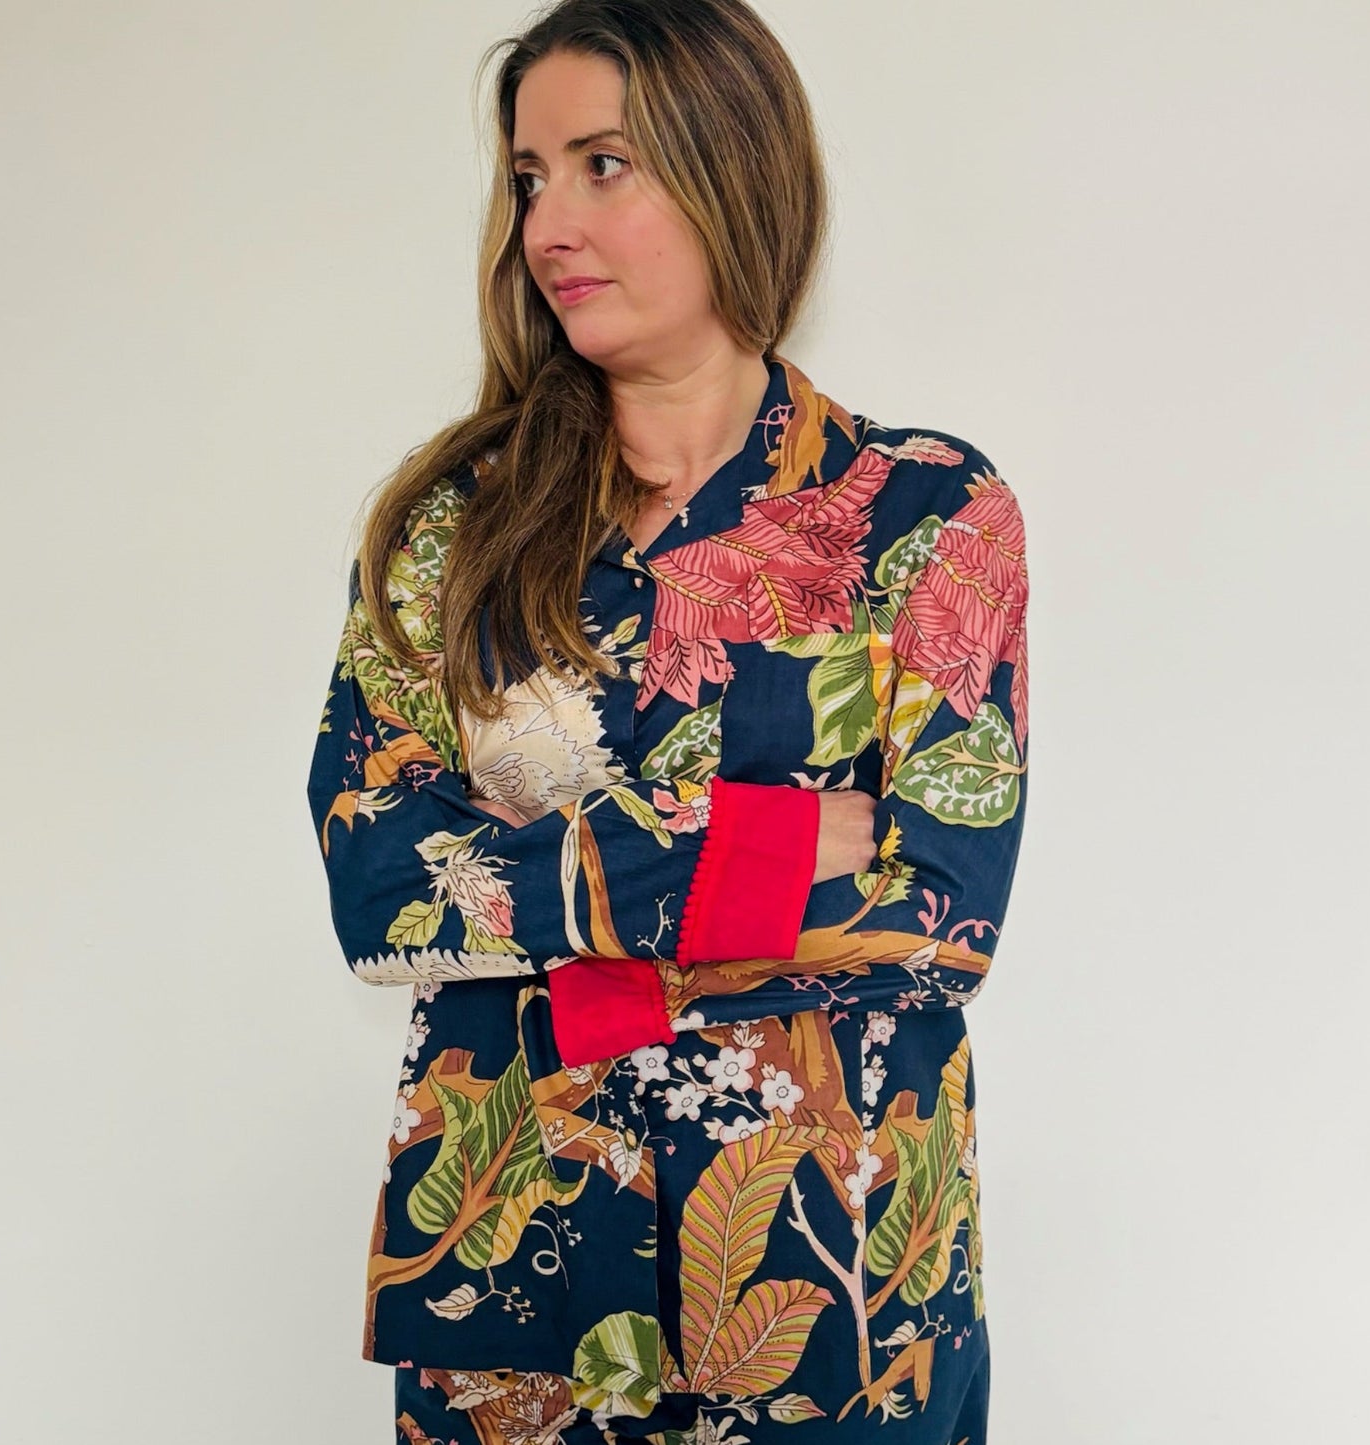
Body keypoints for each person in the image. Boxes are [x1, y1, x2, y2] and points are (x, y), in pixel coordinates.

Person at [304, 1, 1029, 1440]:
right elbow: (377, 885)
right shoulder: (449, 532)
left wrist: (543, 916)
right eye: (528, 177)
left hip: (828, 1300)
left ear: (731, 169)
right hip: (515, 1282)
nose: (549, 225)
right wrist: (770, 851)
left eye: (602, 164)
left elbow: (939, 916)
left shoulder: (927, 513)